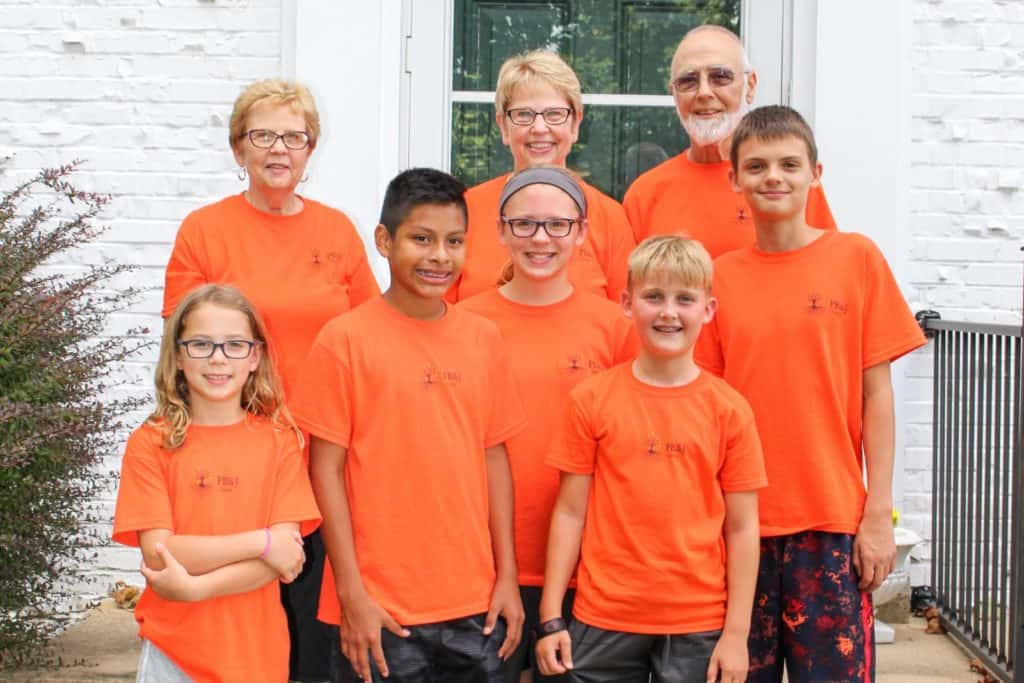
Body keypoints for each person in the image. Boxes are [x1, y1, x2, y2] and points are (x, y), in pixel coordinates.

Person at [695, 105, 927, 681]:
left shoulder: (856, 258)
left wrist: (878, 514)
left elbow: (877, 396)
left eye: (789, 164)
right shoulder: (718, 278)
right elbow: (706, 408)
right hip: (740, 524)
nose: (773, 176)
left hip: (831, 519)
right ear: (735, 179)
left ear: (815, 174)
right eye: (757, 165)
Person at [162, 78, 379, 683]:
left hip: (325, 456)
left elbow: (369, 338)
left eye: (294, 136)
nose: (279, 149)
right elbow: (185, 346)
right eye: (263, 135)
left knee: (315, 628)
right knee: (242, 619)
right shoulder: (205, 231)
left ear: (311, 149)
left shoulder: (337, 231)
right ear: (239, 149)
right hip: (238, 455)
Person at [290, 168, 527, 683]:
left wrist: (507, 577)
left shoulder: (484, 339)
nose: (440, 256)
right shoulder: (344, 341)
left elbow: (495, 459)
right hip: (380, 609)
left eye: (454, 241)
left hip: (475, 603)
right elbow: (324, 471)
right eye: (422, 239)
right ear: (385, 240)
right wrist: (351, 594)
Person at [536, 236, 766, 683]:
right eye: (653, 297)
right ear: (626, 303)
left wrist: (736, 635)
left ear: (708, 309)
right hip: (604, 614)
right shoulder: (592, 399)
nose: (668, 312)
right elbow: (569, 511)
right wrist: (550, 618)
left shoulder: (730, 409)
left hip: (697, 621)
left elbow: (742, 527)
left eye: (685, 299)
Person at [458, 166, 638, 682]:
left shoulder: (614, 328)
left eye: (557, 225)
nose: (540, 239)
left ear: (582, 233)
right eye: (524, 225)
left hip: (585, 569)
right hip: (485, 563)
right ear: (500, 231)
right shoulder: (466, 325)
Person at [112, 284, 321, 683]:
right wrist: (260, 543)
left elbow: (286, 559)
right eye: (201, 344)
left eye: (234, 345)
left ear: (255, 356)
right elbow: (160, 553)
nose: (218, 358)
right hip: (174, 655)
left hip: (256, 657)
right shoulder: (151, 443)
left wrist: (194, 589)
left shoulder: (279, 442)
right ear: (177, 355)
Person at [623, 25, 836, 258]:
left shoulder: (786, 182)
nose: (704, 92)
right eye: (688, 81)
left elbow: (826, 268)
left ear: (750, 85)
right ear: (673, 93)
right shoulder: (646, 193)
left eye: (720, 77)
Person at [447, 50, 635, 303]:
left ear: (576, 123)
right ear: (503, 126)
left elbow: (626, 322)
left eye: (554, 114)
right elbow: (439, 318)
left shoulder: (609, 216)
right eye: (523, 115)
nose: (539, 128)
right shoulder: (464, 211)